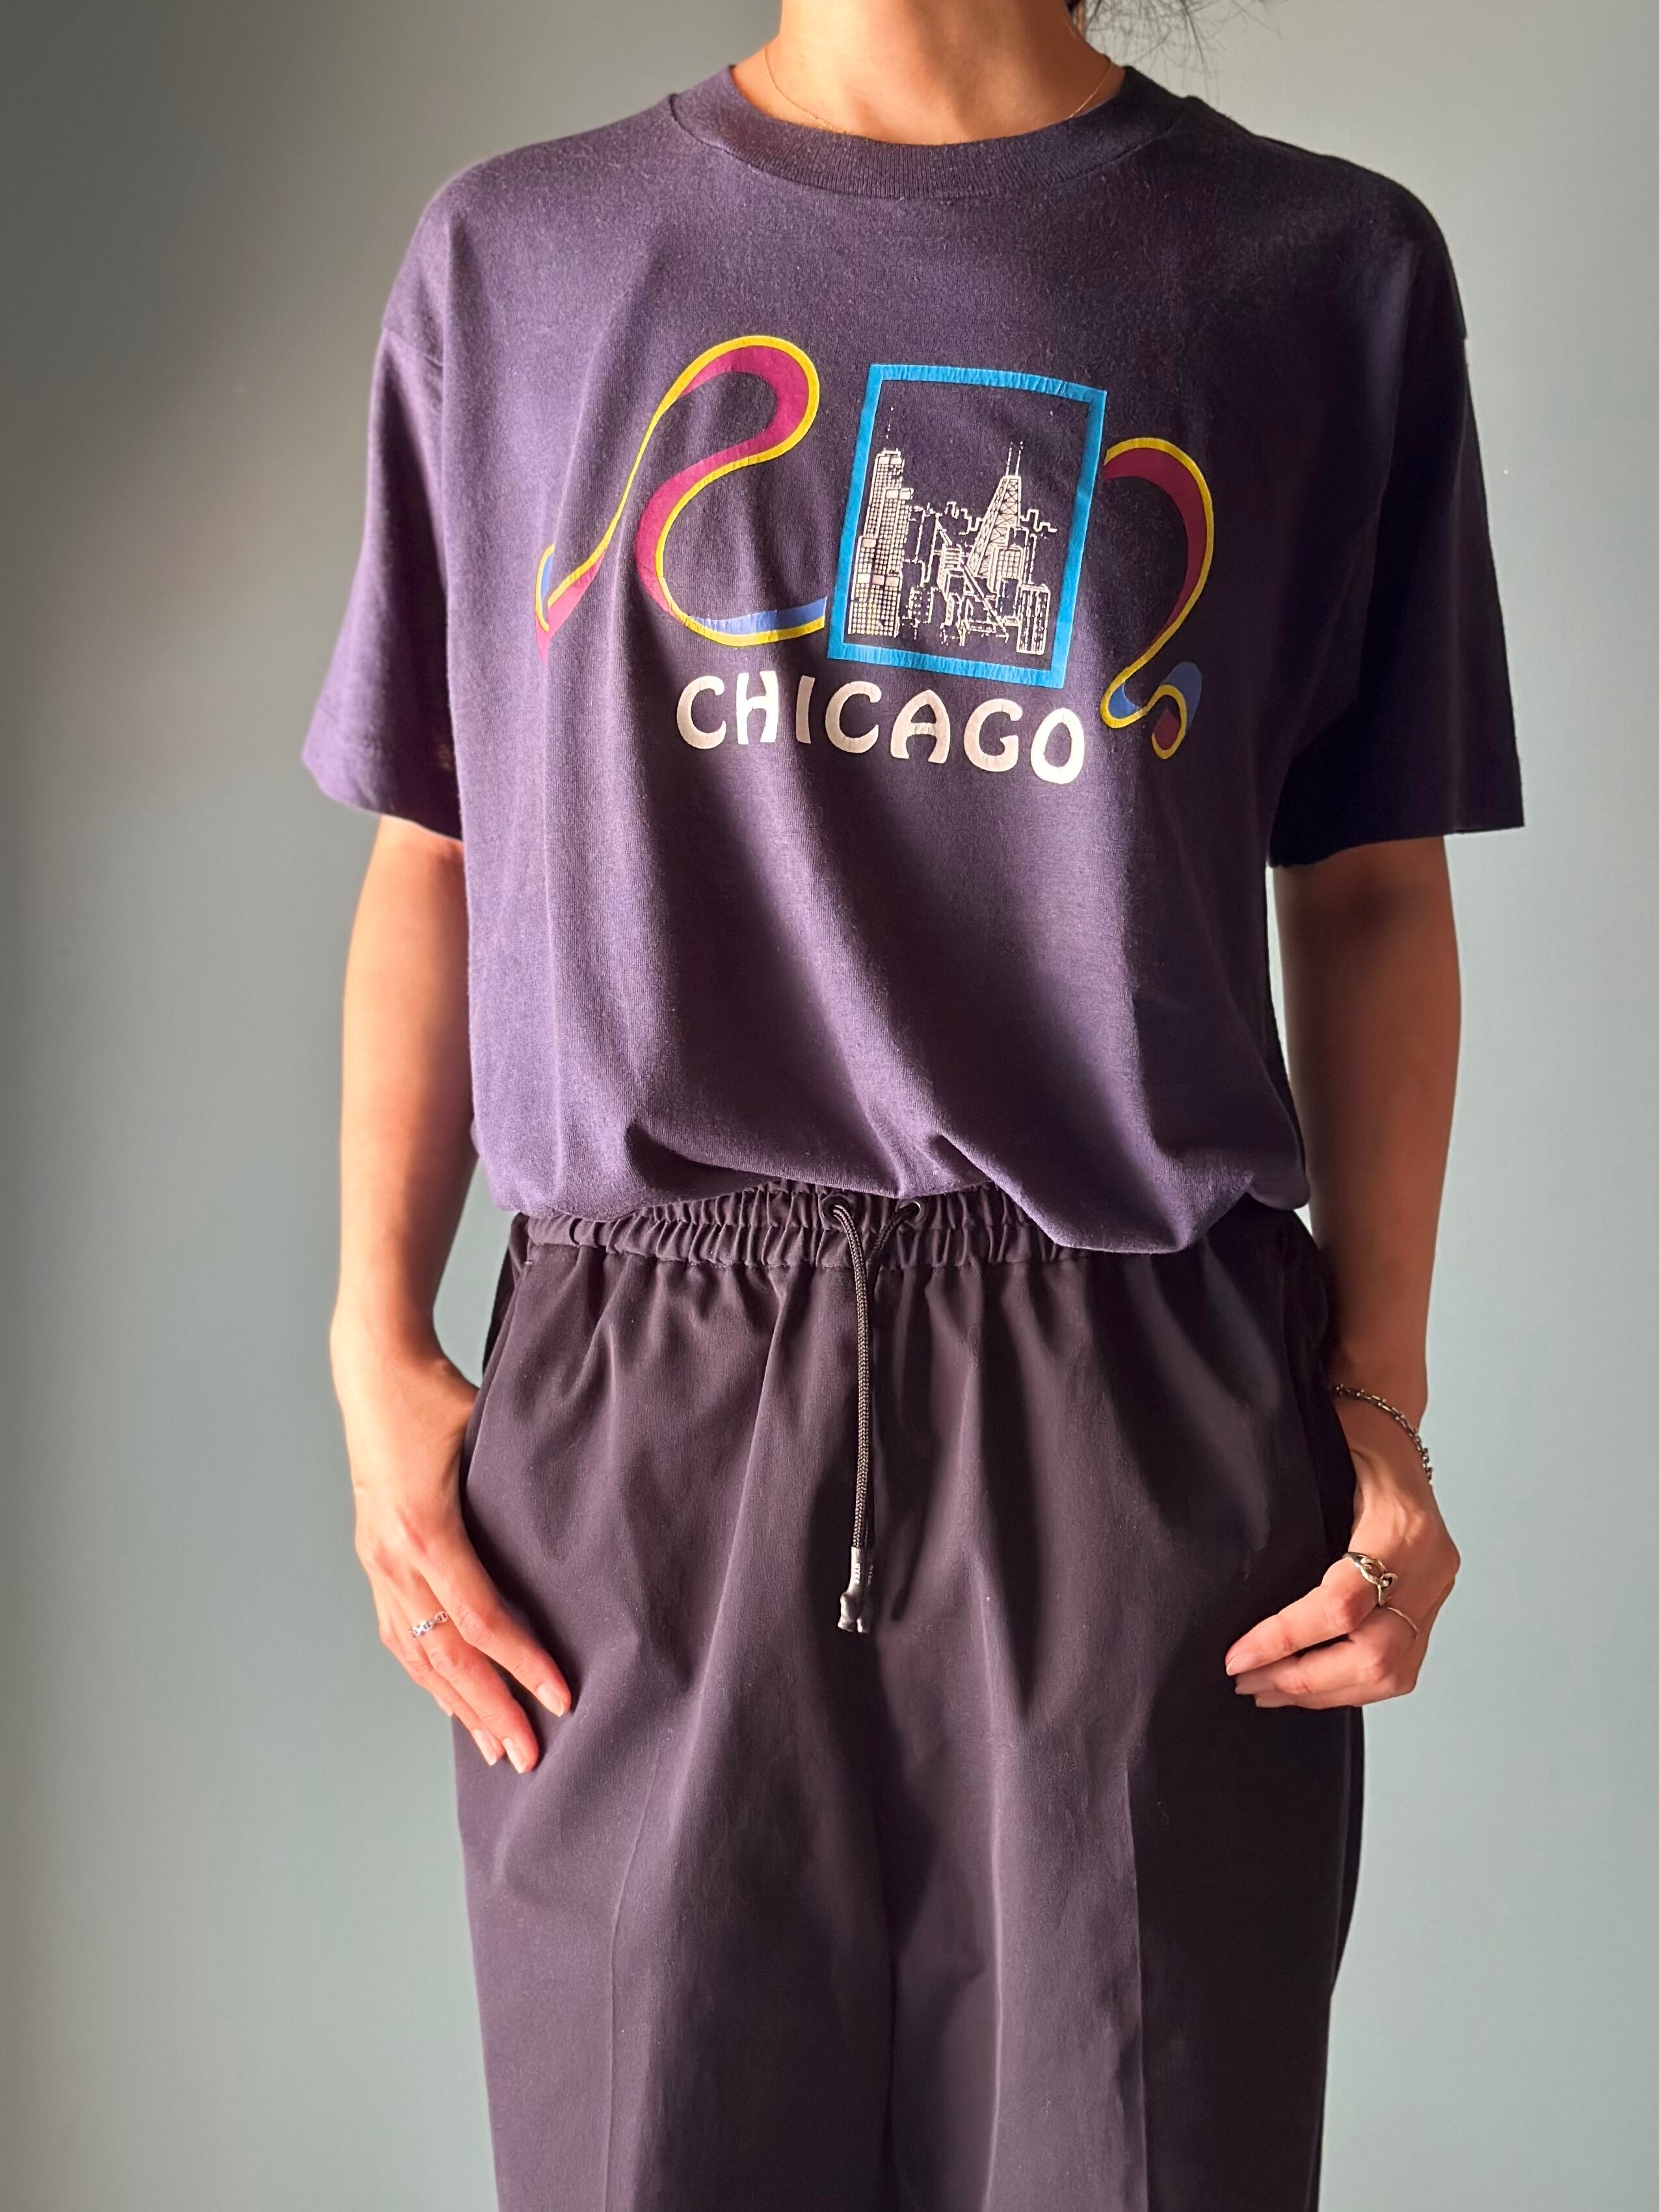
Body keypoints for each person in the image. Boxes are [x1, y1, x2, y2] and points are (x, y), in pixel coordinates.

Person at [302, 0, 1522, 2204]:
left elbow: (1367, 886)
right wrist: (373, 1336)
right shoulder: (518, 262)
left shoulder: (1322, 273)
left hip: (1136, 1416)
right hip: (642, 1426)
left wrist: (1381, 1393)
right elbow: (438, 835)